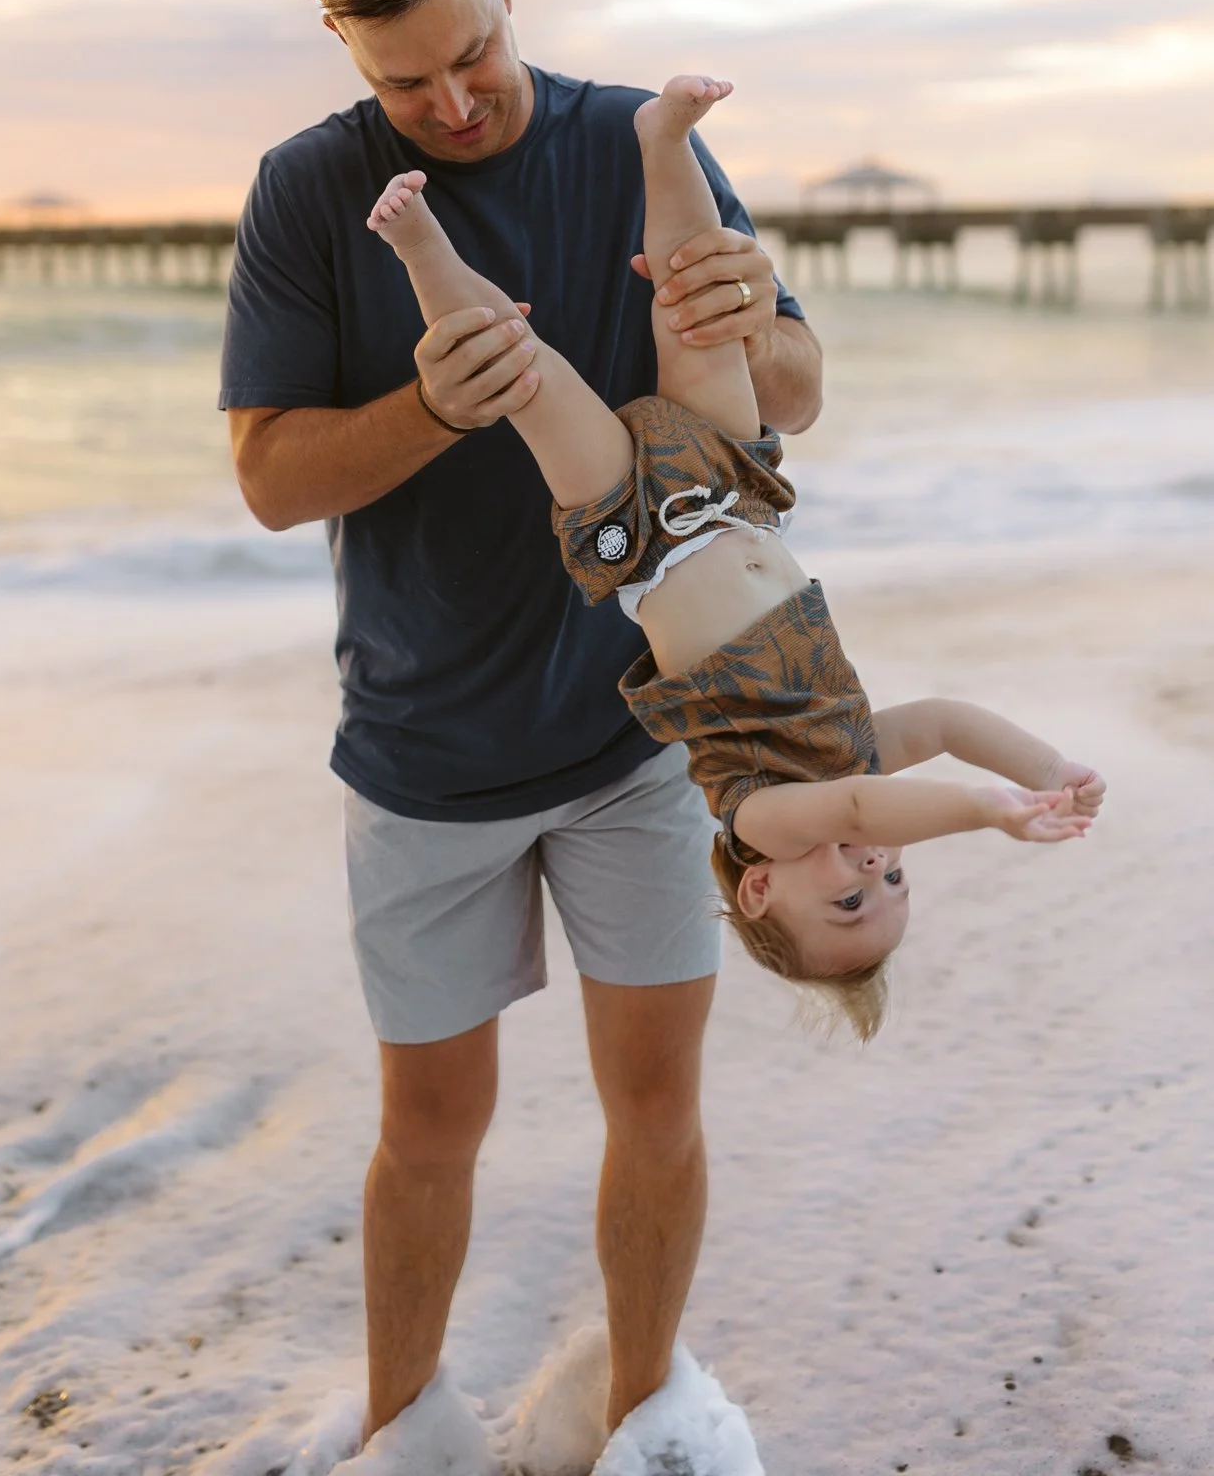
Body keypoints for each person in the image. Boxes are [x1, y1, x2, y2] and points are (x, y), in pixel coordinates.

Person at [220, 0, 823, 1455]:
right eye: (405, 78)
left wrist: (756, 308)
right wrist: (433, 407)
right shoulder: (305, 190)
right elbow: (272, 482)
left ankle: (647, 1428)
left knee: (658, 1105)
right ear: (344, 44)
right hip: (425, 756)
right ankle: (400, 1435)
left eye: (472, 53)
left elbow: (791, 396)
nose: (456, 100)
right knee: (430, 1131)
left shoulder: (637, 139)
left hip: (635, 742)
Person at [365, 71, 1106, 1043]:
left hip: (645, 534)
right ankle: (663, 140)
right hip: (735, 494)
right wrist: (1053, 770)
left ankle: (418, 242)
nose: (873, 864)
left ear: (760, 888)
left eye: (849, 898)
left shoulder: (765, 817)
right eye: (892, 877)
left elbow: (855, 802)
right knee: (698, 308)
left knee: (522, 370)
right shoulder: (852, 751)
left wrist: (997, 811)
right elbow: (947, 718)